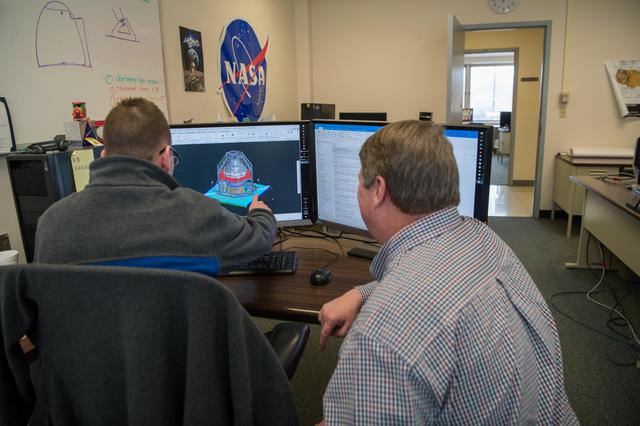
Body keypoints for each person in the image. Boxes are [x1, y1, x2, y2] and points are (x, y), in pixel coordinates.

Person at [317, 121, 577, 424]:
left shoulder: (379, 335)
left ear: (378, 190)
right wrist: (362, 294)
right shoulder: (483, 238)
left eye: (358, 179)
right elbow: (443, 287)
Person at [34, 98, 276, 272]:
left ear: (103, 155)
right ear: (166, 155)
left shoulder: (51, 223)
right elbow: (258, 238)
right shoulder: (196, 214)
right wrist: (260, 214)